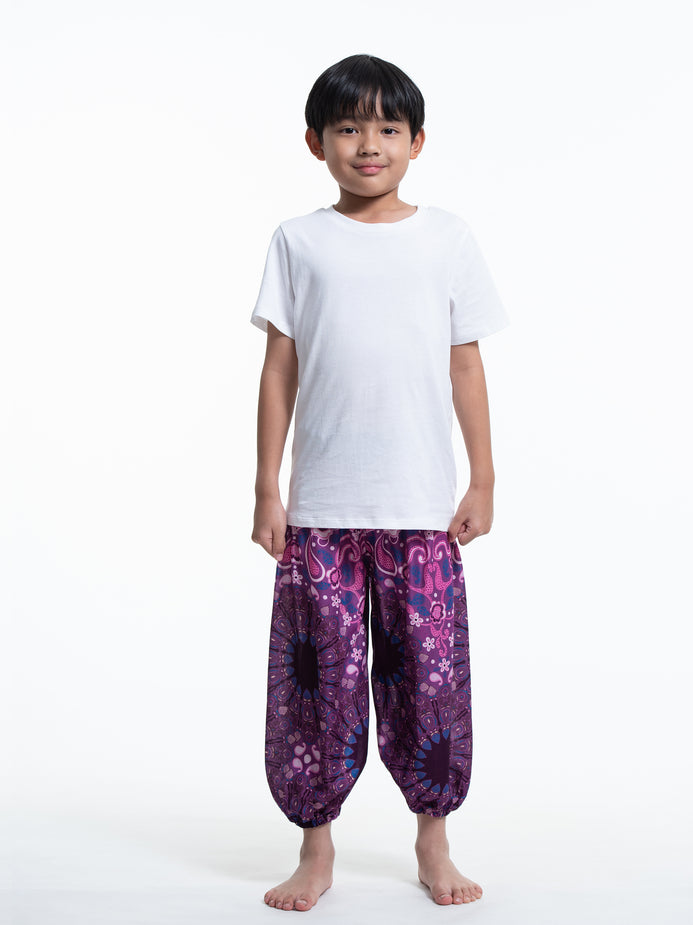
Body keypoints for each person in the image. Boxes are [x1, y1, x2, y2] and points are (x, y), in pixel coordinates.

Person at [250, 52, 510, 912]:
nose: (369, 144)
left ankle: (433, 837)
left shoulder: (447, 239)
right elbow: (279, 368)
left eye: (388, 128)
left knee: (429, 680)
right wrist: (267, 488)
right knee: (316, 686)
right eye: (348, 128)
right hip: (322, 511)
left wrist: (482, 477)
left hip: (421, 510)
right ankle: (315, 845)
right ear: (315, 141)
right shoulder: (299, 241)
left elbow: (465, 364)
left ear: (417, 141)